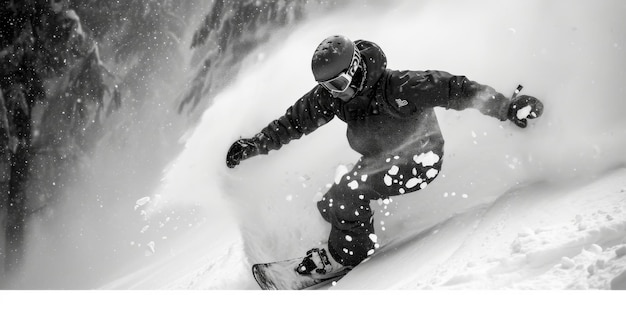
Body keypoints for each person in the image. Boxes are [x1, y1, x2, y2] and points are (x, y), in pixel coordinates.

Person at [226, 35, 543, 280]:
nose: (333, 92)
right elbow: (292, 123)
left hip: (419, 159)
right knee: (330, 203)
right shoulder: (333, 98)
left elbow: (455, 89)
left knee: (348, 194)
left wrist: (506, 107)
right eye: (325, 86)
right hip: (377, 160)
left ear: (355, 70)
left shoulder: (401, 87)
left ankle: (347, 253)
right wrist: (253, 145)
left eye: (337, 84)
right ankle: (348, 235)